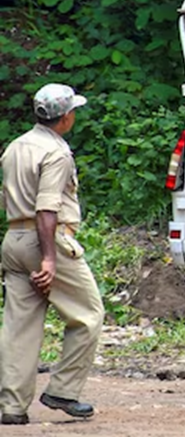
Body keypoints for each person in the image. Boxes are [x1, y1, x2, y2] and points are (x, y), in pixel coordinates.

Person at [0, 83, 103, 425]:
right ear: (66, 117)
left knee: (19, 326)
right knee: (88, 315)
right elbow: (47, 209)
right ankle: (63, 390)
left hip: (14, 238)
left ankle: (11, 407)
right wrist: (49, 258)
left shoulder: (15, 147)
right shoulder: (56, 153)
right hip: (46, 240)